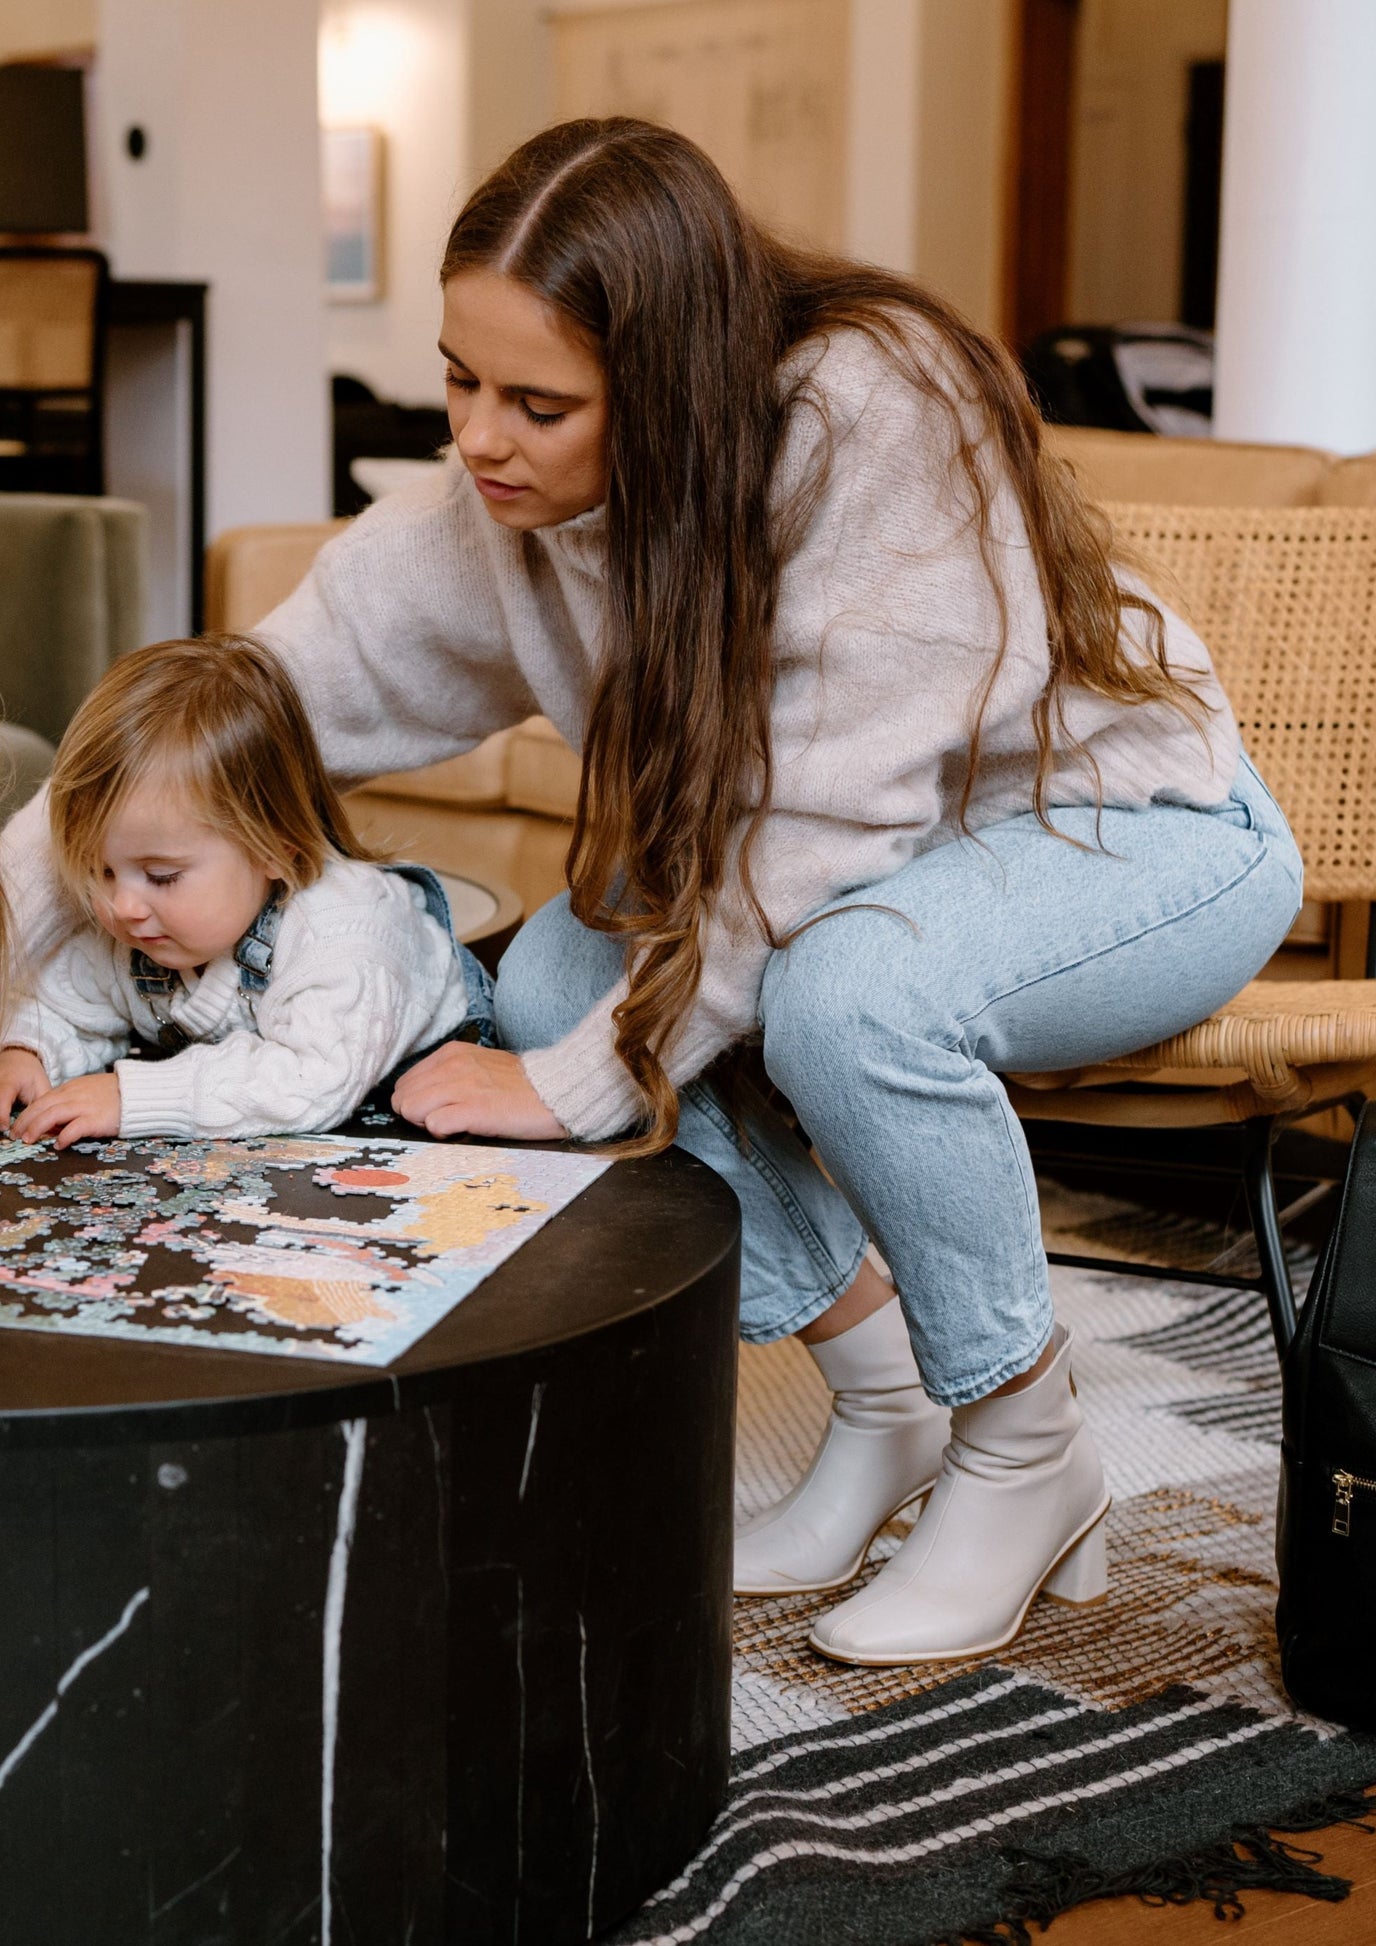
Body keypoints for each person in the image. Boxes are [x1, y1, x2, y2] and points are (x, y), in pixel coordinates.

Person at [0, 119, 1303, 1664]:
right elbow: (219, 724)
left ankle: (1028, 1450)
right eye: (458, 381)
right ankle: (883, 1399)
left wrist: (577, 1081)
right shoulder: (496, 511)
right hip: (838, 868)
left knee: (839, 996)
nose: (479, 440)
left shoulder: (874, 409)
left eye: (537, 402)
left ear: (673, 381)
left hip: (1128, 835)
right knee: (554, 981)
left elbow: (806, 846)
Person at [0, 635, 490, 1146]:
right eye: (99, 871)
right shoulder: (134, 925)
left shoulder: (341, 934)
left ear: (272, 848)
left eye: (162, 876)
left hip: (418, 1092)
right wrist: (29, 1051)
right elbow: (66, 1001)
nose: (121, 907)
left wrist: (132, 1099)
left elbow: (312, 1076)